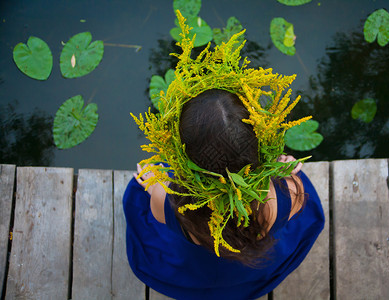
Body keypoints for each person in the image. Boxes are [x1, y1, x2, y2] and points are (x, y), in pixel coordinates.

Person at [123, 10, 324, 300]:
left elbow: (153, 193)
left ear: (182, 156)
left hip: (194, 265)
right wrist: (287, 168)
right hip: (254, 265)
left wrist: (150, 179)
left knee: (137, 190)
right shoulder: (288, 194)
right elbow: (297, 195)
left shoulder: (164, 200)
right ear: (259, 147)